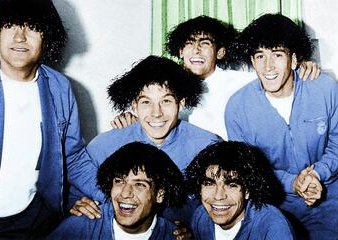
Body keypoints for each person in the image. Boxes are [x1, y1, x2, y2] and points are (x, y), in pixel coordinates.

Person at [0, 0, 92, 238]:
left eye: (32, 27)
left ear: (46, 37)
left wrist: (113, 193)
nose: (20, 37)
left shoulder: (60, 88)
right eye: (11, 25)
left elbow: (72, 157)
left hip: (37, 222)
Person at [111, 15, 320, 140]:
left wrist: (300, 67)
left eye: (205, 43)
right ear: (180, 51)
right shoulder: (165, 87)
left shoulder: (240, 81)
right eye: (189, 43)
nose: (196, 50)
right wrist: (130, 119)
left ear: (219, 52)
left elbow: (276, 79)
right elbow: (151, 115)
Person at [225, 13, 338, 239]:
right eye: (260, 56)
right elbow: (248, 169)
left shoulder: (325, 89)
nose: (268, 66)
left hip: (330, 197)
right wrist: (291, 182)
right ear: (251, 61)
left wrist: (317, 173)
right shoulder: (237, 107)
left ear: (294, 59)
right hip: (276, 204)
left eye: (277, 54)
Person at [69, 55, 219, 224]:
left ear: (181, 103)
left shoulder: (206, 145)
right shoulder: (105, 145)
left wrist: (194, 229)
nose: (157, 113)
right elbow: (74, 194)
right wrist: (78, 205)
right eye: (146, 102)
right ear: (134, 105)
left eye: (166, 101)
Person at [50, 142, 187, 239]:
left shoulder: (175, 236)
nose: (125, 193)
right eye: (119, 181)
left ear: (159, 194)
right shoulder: (80, 228)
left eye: (139, 184)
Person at [185, 141, 294, 239]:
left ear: (247, 191)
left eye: (231, 185)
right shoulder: (200, 217)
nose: (218, 196)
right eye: (209, 184)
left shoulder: (272, 225)